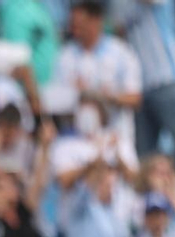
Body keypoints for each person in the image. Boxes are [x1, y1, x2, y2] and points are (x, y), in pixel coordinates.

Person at [120, 0, 175, 193]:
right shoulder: (125, 6)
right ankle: (148, 203)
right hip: (141, 87)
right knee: (145, 156)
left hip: (169, 80)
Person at [54, 1, 142, 161]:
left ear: (96, 21)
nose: (75, 31)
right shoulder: (65, 56)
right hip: (79, 143)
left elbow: (135, 98)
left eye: (79, 25)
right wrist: (75, 94)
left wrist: (107, 96)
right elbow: (56, 100)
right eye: (72, 26)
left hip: (117, 139)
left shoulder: (121, 53)